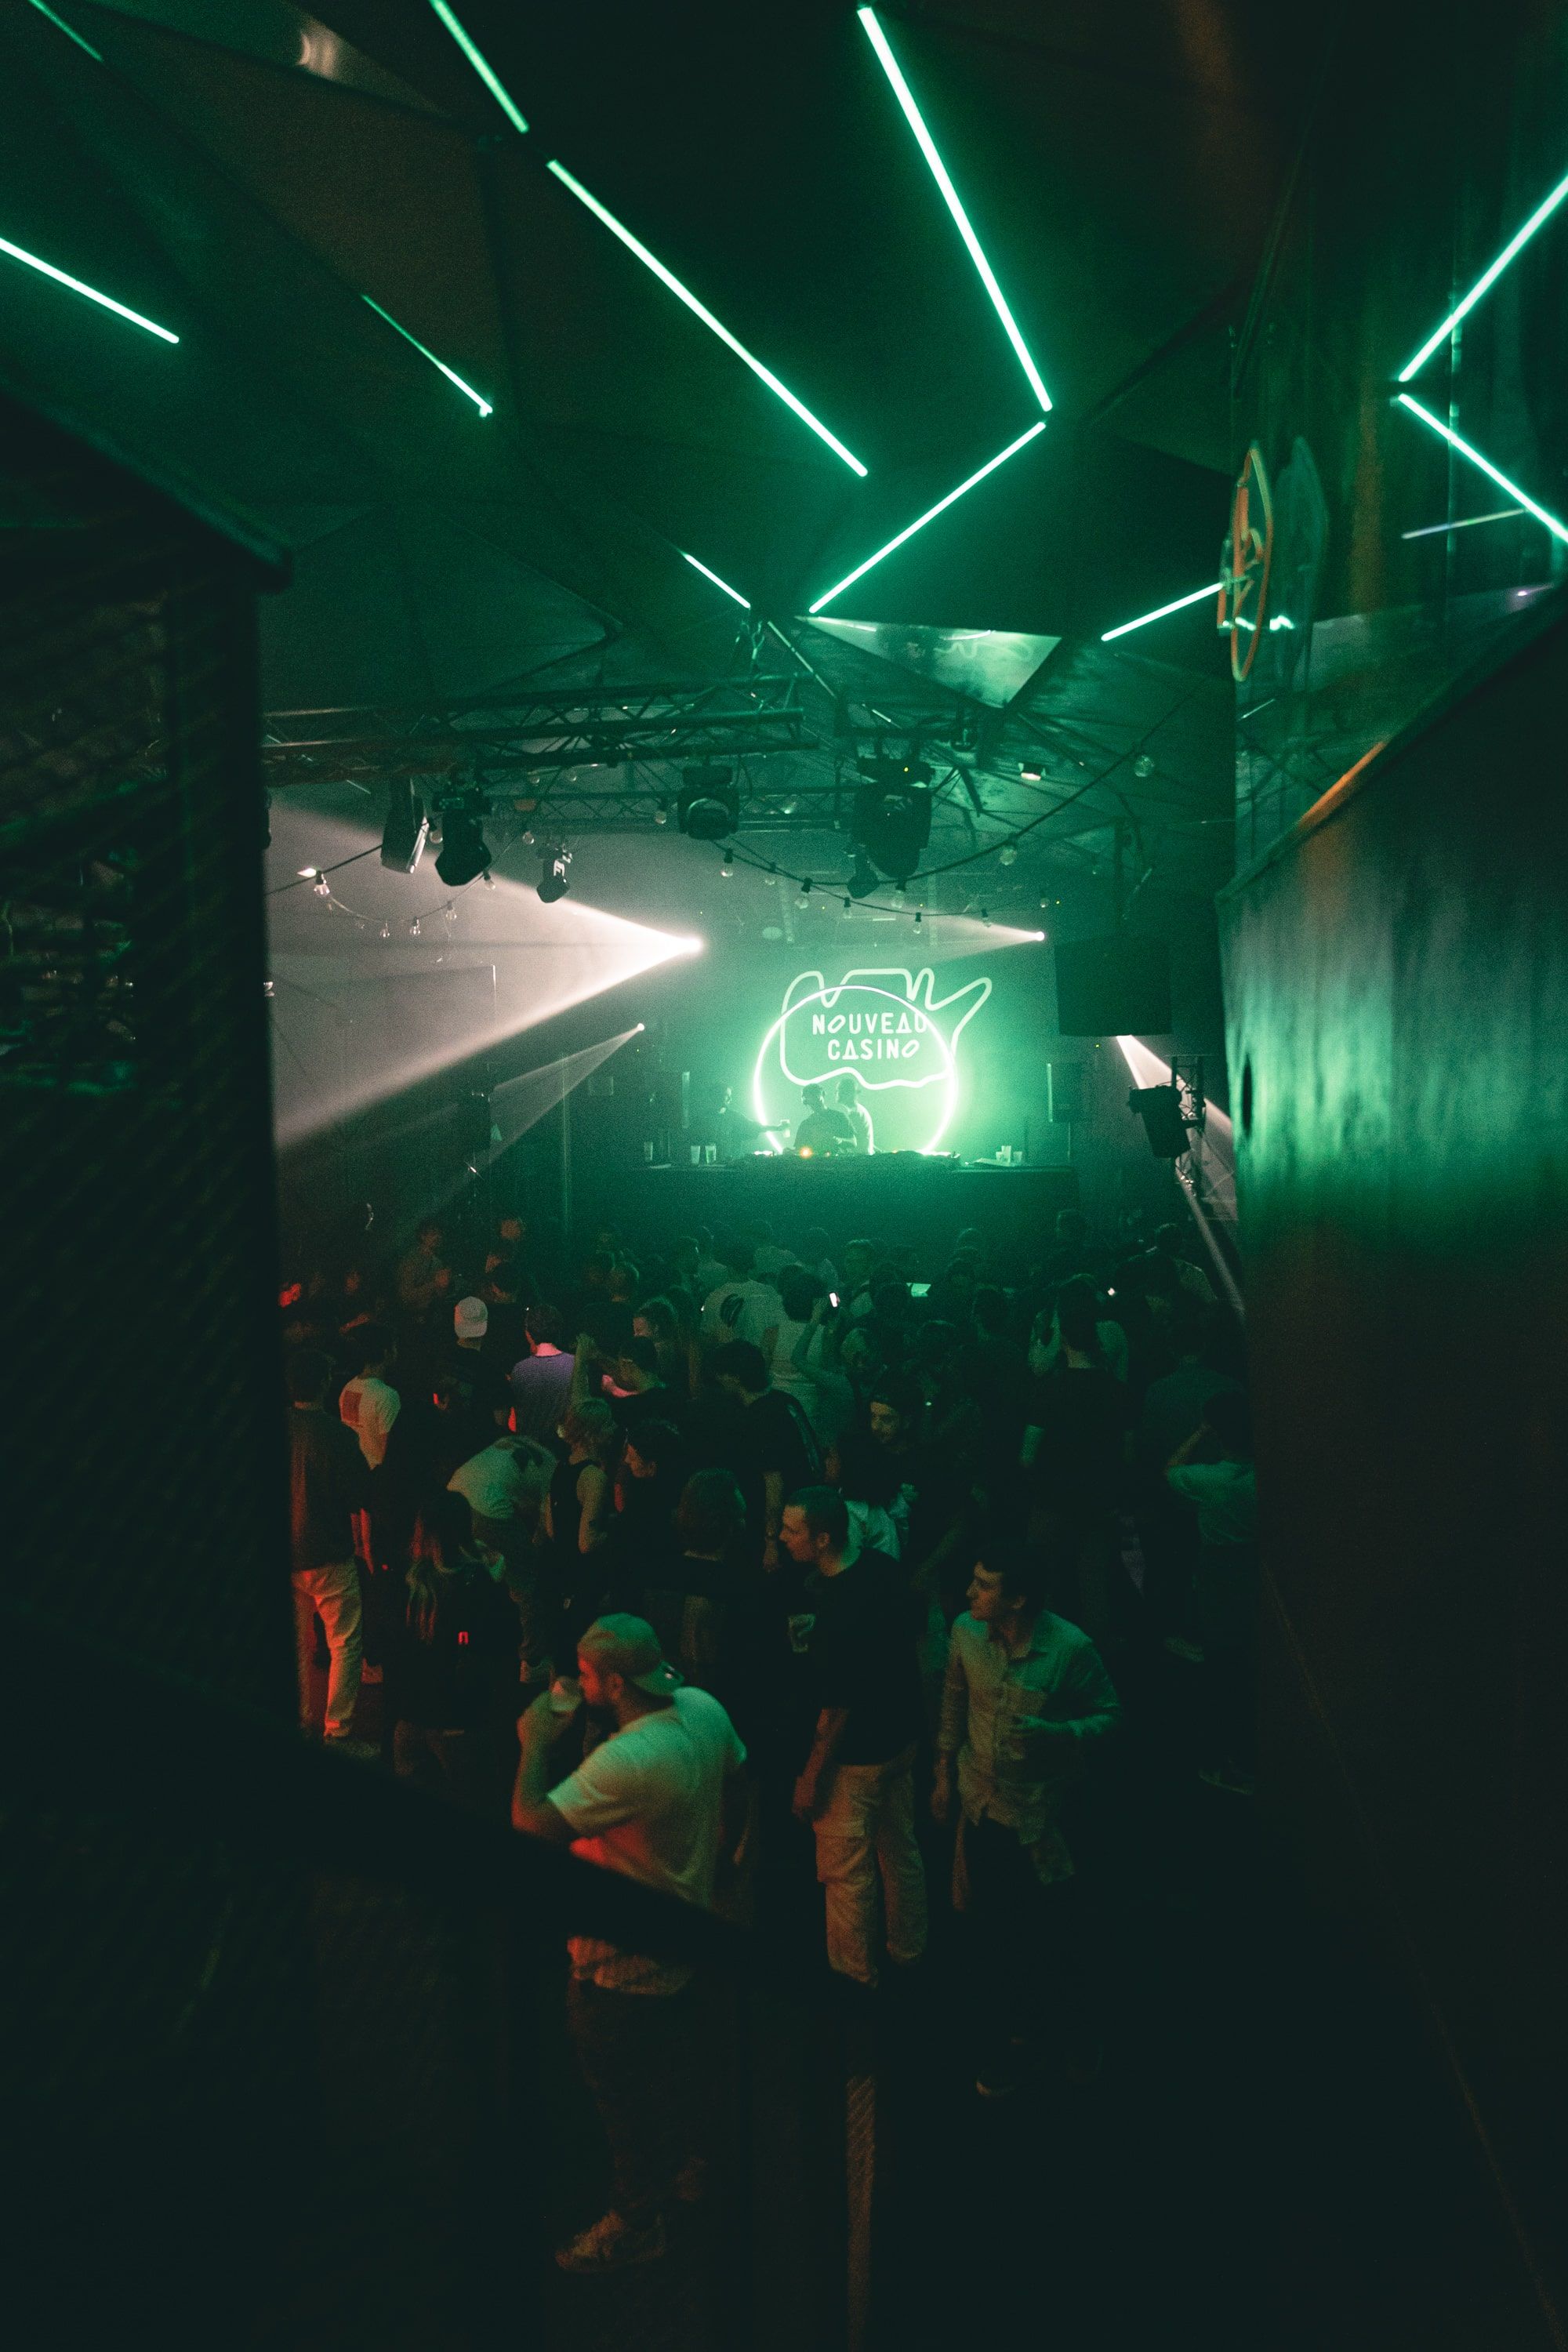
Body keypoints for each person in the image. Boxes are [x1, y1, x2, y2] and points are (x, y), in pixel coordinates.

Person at [512, 1615, 749, 2274]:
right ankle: (690, 2167)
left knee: (622, 2097)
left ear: (616, 1684)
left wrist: (534, 1742)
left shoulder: (631, 1760)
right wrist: (724, 1860)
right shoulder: (702, 1709)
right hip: (681, 1937)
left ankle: (637, 2221)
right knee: (675, 2066)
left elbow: (531, 1825)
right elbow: (739, 1778)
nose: (578, 1683)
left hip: (616, 1965)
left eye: (587, 1675)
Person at [934, 1541, 1121, 2096]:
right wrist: (943, 1776)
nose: (969, 1593)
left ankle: (1076, 2034)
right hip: (984, 1808)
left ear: (1017, 1600)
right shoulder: (966, 1632)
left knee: (1057, 1933)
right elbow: (953, 1698)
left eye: (983, 1585)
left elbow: (1110, 1716)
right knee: (997, 1933)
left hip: (1046, 1821)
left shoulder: (1070, 1649)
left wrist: (1060, 1735)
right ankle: (1018, 2042)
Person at [781, 1487, 927, 1989]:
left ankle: (854, 1984)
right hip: (901, 1741)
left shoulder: (839, 1612)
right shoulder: (882, 1569)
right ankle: (910, 1951)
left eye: (792, 1530)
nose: (781, 1537)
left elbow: (835, 1715)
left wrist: (809, 1780)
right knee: (901, 1850)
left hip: (857, 1759)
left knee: (845, 1874)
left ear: (822, 1540)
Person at [388, 1490, 521, 1813]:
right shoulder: (475, 1582)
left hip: (408, 1720)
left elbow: (386, 1645)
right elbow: (508, 1637)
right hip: (458, 1721)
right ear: (465, 1529)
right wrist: (498, 1578)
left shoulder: (403, 1580)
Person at [1167, 1389, 1258, 1794]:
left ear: (1220, 1434)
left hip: (1220, 1565)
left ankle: (1237, 1764)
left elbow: (1171, 1470)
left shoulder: (1210, 1479)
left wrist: (1199, 1432)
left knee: (1226, 1663)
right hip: (1255, 1562)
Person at [286, 1349, 374, 1757]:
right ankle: (338, 1732)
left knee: (298, 1647)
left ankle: (299, 1722)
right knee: (344, 1643)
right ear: (324, 1383)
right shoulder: (338, 1437)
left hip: (289, 1552)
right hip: (329, 1552)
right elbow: (360, 1496)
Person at [711, 1339, 822, 1569]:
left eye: (721, 1374)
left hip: (784, 1527)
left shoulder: (759, 1421)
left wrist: (770, 1541)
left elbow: (773, 1484)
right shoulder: (786, 1401)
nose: (718, 1379)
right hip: (808, 1512)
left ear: (735, 1377)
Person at [540, 1398, 618, 1657]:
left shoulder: (560, 1469)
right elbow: (587, 1542)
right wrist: (617, 1531)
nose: (614, 1428)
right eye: (608, 1424)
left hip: (559, 1577)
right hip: (585, 1580)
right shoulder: (594, 1477)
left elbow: (551, 1529)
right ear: (592, 1434)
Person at [699, 1236, 780, 1352]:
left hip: (725, 1357)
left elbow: (707, 1336)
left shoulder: (714, 1297)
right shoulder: (768, 1292)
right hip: (758, 1357)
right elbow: (777, 1326)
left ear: (728, 1265)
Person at [337, 1323, 401, 1469]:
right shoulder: (387, 1395)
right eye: (394, 1346)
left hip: (354, 1470)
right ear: (386, 1352)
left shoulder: (349, 1388)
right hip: (376, 1473)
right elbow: (388, 1450)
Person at [508, 1305, 575, 1443]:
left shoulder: (521, 1369)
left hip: (529, 1444)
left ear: (528, 1333)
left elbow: (515, 1413)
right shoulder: (574, 1364)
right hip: (564, 1443)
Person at [395, 1218, 448, 1318]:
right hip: (407, 1317)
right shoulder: (411, 1259)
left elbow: (440, 1295)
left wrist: (443, 1286)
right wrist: (435, 1284)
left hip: (428, 1316)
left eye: (440, 1234)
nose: (438, 1237)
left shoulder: (438, 1263)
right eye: (433, 1233)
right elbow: (405, 1296)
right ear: (423, 1236)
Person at [794, 1083, 855, 1158]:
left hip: (837, 1162)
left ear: (822, 1095)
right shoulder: (805, 1124)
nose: (813, 1102)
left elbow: (853, 1142)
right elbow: (798, 1149)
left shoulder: (839, 1117)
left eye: (815, 1097)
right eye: (810, 1100)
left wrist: (839, 1141)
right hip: (815, 1164)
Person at [833, 1071, 873, 1156]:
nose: (836, 1093)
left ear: (847, 1093)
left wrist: (836, 1140)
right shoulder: (860, 1110)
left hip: (859, 1159)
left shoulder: (854, 1114)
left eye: (838, 1090)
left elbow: (856, 1142)